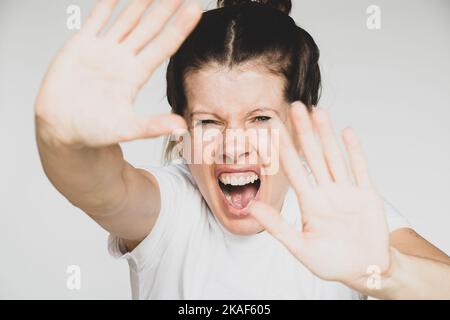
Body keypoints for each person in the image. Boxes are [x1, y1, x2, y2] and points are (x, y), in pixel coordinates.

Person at [35, 0, 450, 299]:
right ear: (183, 131)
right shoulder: (170, 209)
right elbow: (97, 184)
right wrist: (61, 139)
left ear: (298, 123)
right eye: (209, 122)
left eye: (260, 119)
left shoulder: (339, 210)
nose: (234, 147)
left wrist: (390, 274)